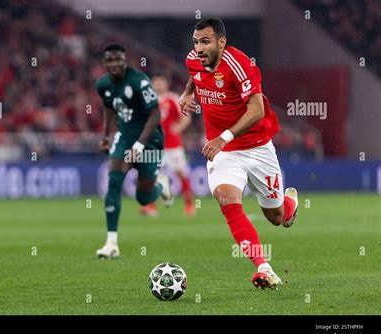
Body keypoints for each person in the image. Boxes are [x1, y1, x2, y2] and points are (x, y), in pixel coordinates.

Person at [179, 18, 298, 289]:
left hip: (256, 147)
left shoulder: (241, 65)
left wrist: (224, 137)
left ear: (222, 42)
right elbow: (195, 73)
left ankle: (289, 204)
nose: (198, 48)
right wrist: (188, 94)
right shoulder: (194, 58)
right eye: (196, 42)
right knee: (226, 198)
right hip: (224, 151)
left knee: (277, 217)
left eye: (205, 42)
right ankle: (264, 268)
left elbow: (256, 110)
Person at [95, 44, 173, 259]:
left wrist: (140, 145)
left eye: (117, 60)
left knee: (143, 197)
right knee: (114, 182)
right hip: (124, 137)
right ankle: (111, 243)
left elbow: (155, 114)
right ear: (104, 63)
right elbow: (109, 106)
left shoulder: (139, 81)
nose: (113, 64)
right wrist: (106, 135)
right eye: (109, 61)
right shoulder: (103, 84)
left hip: (150, 141)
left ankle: (161, 184)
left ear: (125, 60)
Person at [140, 73, 195, 217]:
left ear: (166, 84)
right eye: (156, 82)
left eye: (161, 82)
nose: (158, 85)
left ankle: (189, 205)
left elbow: (186, 117)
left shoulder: (173, 99)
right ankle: (151, 207)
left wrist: (178, 127)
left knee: (180, 172)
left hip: (173, 145)